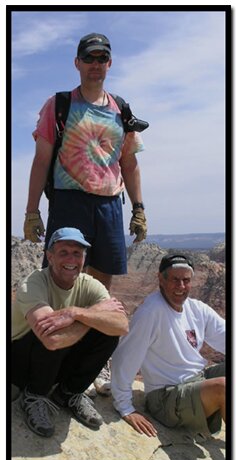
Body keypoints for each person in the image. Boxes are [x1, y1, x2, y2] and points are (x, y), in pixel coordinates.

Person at [23, 32, 147, 292]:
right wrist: (32, 212)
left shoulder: (121, 109)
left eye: (102, 57)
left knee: (100, 286)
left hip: (110, 204)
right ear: (77, 63)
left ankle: (93, 331)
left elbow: (129, 163)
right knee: (61, 281)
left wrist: (138, 209)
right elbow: (41, 161)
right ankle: (56, 330)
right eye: (88, 57)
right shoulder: (59, 105)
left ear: (109, 63)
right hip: (69, 202)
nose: (95, 63)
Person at [12, 227, 128, 438]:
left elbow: (121, 325)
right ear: (50, 256)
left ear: (84, 257)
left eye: (77, 253)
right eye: (63, 252)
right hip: (20, 360)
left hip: (54, 360)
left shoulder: (90, 284)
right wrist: (92, 315)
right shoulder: (34, 283)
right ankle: (34, 395)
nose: (71, 259)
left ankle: (68, 393)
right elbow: (52, 340)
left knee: (107, 332)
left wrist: (75, 313)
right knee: (56, 328)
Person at [111, 253, 225, 438]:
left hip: (196, 380)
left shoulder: (197, 309)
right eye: (175, 280)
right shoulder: (151, 313)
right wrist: (125, 407)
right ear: (161, 280)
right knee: (224, 387)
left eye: (186, 281)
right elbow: (124, 358)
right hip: (166, 396)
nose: (181, 287)